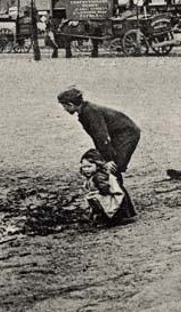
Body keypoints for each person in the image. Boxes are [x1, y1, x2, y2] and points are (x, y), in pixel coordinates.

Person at [57, 87, 139, 219]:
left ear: (71, 105)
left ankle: (120, 213)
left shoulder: (90, 112)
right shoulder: (85, 111)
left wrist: (108, 159)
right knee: (110, 171)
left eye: (64, 106)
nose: (64, 109)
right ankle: (121, 212)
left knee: (111, 171)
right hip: (118, 135)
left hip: (126, 136)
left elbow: (102, 137)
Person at [80, 149, 130, 225]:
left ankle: (107, 218)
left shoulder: (99, 177)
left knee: (94, 199)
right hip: (106, 195)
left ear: (97, 166)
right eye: (84, 167)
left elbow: (104, 189)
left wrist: (97, 192)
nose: (86, 169)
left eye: (89, 166)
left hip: (111, 195)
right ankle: (102, 218)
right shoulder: (93, 176)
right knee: (92, 199)